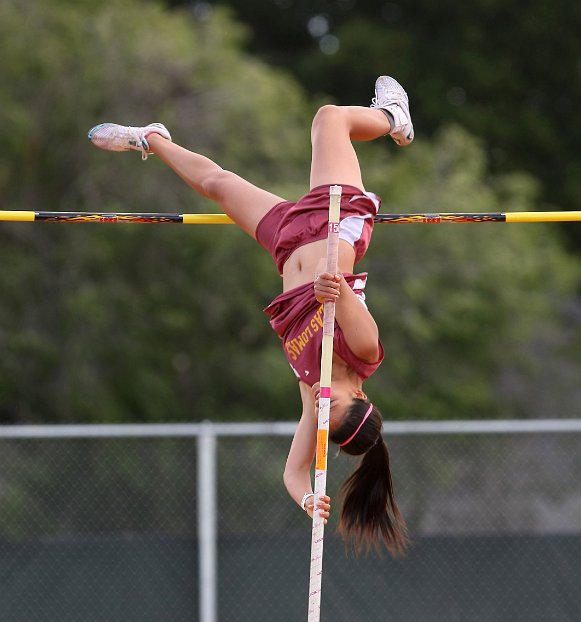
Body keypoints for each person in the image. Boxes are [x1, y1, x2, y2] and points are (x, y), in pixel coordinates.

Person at [88, 75, 412, 555]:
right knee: (329, 118)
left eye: (323, 418)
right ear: (359, 393)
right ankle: (392, 117)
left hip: (287, 244)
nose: (322, 407)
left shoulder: (313, 405)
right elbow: (340, 288)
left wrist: (306, 498)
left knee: (217, 185)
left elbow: (292, 472)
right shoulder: (362, 352)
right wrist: (333, 288)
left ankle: (150, 138)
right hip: (331, 225)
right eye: (335, 404)